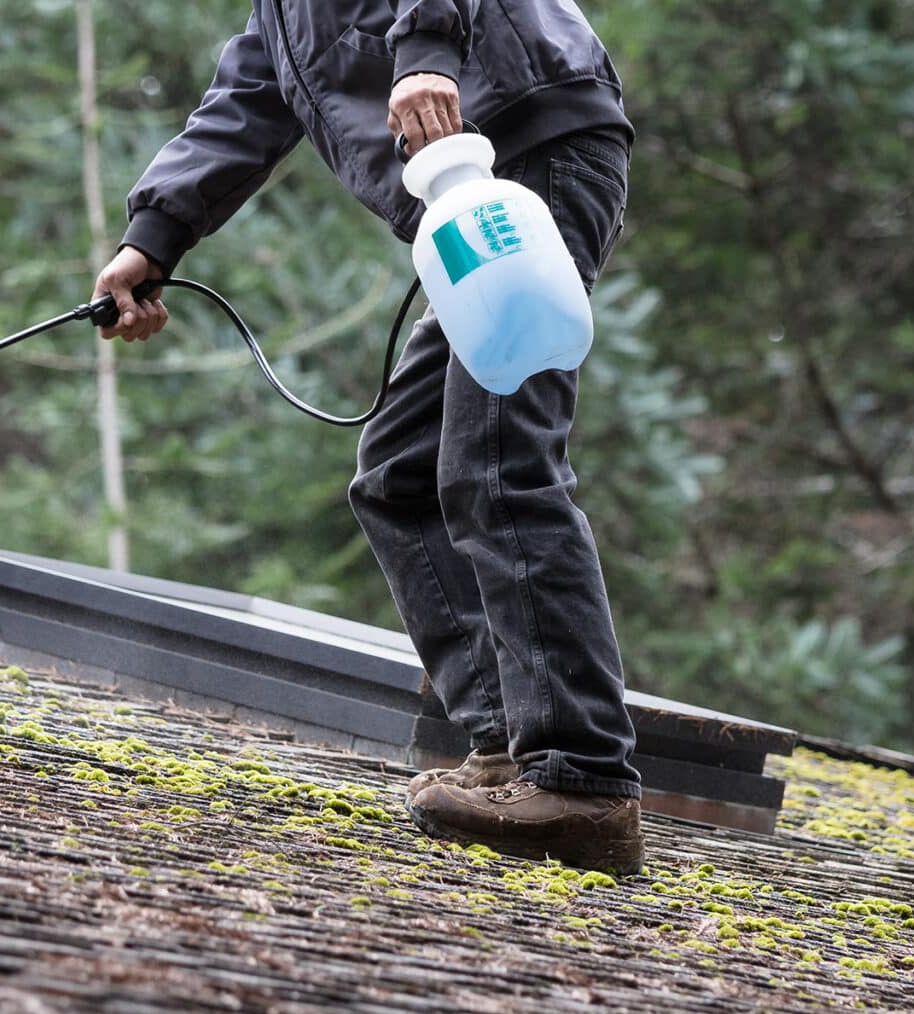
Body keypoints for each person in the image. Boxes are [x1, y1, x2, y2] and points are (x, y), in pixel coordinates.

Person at [93, 2, 643, 878]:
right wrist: (152, 239)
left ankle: (582, 779)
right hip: (473, 192)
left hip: (527, 145)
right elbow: (251, 96)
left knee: (498, 460)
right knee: (401, 469)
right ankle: (509, 744)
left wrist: (426, 51)